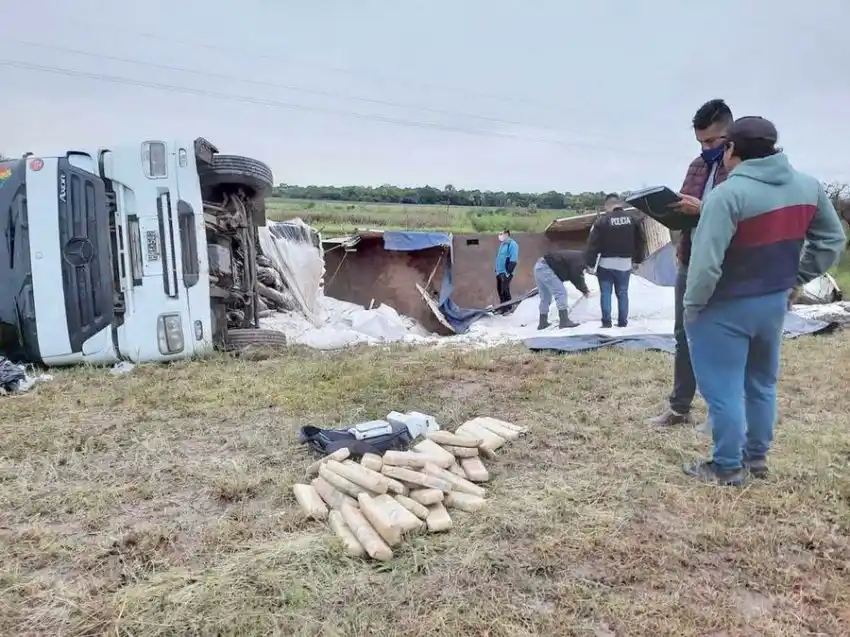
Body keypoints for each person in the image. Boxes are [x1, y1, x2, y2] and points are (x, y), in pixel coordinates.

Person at [682, 116, 846, 485]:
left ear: (731, 149)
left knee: (723, 389)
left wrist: (693, 306)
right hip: (773, 302)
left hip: (724, 306)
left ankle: (726, 466)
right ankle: (756, 458)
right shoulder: (808, 187)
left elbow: (706, 264)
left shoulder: (726, 195)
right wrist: (796, 278)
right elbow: (832, 240)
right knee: (761, 383)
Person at [646, 98, 733, 427]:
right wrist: (669, 210)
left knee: (723, 338)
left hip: (726, 264)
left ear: (730, 133)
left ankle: (721, 413)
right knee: (683, 334)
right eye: (700, 142)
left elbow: (743, 214)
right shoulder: (697, 165)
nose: (706, 149)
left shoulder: (744, 167)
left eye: (712, 141)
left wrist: (703, 208)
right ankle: (679, 408)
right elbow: (684, 205)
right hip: (689, 259)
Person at [585, 193, 645, 327]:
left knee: (606, 293)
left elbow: (593, 244)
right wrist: (638, 260)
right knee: (623, 293)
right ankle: (623, 322)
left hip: (606, 264)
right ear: (620, 204)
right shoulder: (633, 219)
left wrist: (590, 263)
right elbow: (640, 241)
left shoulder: (602, 221)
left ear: (607, 206)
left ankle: (606, 323)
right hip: (625, 264)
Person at [533, 250, 590, 329]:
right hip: (546, 268)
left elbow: (572, 274)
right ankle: (564, 321)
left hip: (539, 266)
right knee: (561, 293)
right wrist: (585, 290)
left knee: (545, 297)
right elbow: (576, 276)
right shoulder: (580, 260)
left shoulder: (578, 256)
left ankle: (542, 322)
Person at [494, 229, 519, 313]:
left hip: (506, 272)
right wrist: (497, 269)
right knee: (499, 289)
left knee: (505, 289)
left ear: (507, 234)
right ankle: (503, 307)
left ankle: (509, 307)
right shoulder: (502, 244)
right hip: (499, 271)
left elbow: (513, 259)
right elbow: (499, 257)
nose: (500, 235)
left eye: (501, 234)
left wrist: (508, 272)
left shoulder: (513, 244)